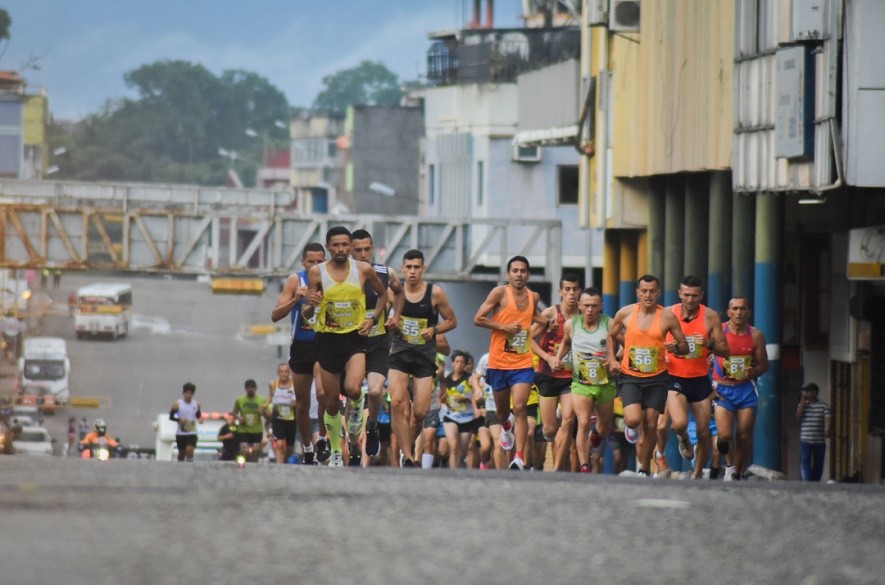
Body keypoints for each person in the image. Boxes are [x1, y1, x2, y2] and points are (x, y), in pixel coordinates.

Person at [303, 226, 389, 467]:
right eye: (336, 245)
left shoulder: (363, 270)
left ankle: (357, 409)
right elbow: (307, 312)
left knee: (353, 388)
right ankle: (334, 450)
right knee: (330, 402)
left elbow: (383, 295)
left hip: (354, 339)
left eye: (344, 245)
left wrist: (373, 319)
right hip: (328, 340)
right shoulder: (317, 273)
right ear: (328, 247)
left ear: (350, 246)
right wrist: (311, 305)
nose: (340, 249)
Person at [606, 275, 689, 477]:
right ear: (638, 293)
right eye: (644, 291)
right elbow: (611, 335)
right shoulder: (625, 313)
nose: (648, 295)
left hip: (657, 378)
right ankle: (632, 428)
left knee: (651, 425)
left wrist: (676, 348)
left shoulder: (668, 317)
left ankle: (643, 468)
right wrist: (612, 359)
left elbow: (685, 346)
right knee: (633, 420)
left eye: (652, 291)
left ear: (658, 293)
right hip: (630, 376)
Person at [473, 255, 549, 470]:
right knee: (502, 413)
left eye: (523, 271)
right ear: (508, 274)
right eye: (515, 271)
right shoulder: (499, 293)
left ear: (528, 274)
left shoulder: (533, 297)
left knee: (521, 407)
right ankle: (506, 426)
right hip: (498, 363)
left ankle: (519, 457)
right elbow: (478, 319)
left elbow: (534, 316)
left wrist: (546, 323)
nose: (519, 274)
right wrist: (505, 328)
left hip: (522, 362)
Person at [388, 249, 457, 467]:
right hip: (399, 353)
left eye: (416, 267)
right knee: (397, 402)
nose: (412, 272)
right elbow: (381, 317)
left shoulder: (435, 293)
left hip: (424, 356)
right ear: (402, 268)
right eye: (408, 267)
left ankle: (407, 446)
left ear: (423, 269)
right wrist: (388, 324)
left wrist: (434, 330)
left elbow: (452, 321)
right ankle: (408, 456)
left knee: (420, 412)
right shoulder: (394, 292)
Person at [658, 275, 730, 479]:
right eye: (686, 295)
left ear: (701, 295)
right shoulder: (667, 314)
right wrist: (664, 352)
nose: (690, 300)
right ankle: (683, 438)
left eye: (695, 296)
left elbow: (725, 351)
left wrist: (708, 344)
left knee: (703, 432)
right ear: (679, 294)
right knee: (679, 424)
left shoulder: (711, 316)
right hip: (674, 377)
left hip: (699, 379)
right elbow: (653, 341)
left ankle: (697, 472)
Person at [271, 241, 327, 464]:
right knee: (303, 404)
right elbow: (275, 315)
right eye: (311, 261)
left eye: (320, 261)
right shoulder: (296, 280)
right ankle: (307, 447)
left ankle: (321, 439)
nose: (315, 265)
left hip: (324, 344)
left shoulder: (332, 280)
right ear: (303, 262)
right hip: (301, 346)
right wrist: (296, 299)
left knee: (322, 394)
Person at [350, 229, 403, 459]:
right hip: (351, 343)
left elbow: (399, 292)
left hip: (378, 342)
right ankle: (353, 444)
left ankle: (371, 426)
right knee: (353, 393)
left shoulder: (385, 273)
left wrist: (396, 316)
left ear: (372, 248)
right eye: (358, 250)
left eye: (366, 249)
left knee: (374, 390)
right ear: (350, 251)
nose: (363, 254)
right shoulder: (343, 275)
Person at [553, 287, 617, 474]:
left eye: (594, 306)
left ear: (601, 306)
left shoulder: (609, 324)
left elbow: (626, 341)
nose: (590, 310)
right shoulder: (571, 325)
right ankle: (584, 465)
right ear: (580, 306)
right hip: (581, 383)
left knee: (604, 428)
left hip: (605, 383)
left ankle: (597, 434)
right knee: (583, 422)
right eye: (587, 305)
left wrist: (616, 359)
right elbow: (566, 342)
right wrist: (557, 358)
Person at [712, 297, 769, 481]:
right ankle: (727, 461)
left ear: (748, 313)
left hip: (745, 389)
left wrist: (754, 371)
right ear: (728, 312)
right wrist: (707, 385)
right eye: (735, 308)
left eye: (742, 309)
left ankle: (736, 472)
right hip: (722, 388)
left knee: (744, 435)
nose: (738, 312)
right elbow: (702, 360)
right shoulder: (718, 332)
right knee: (725, 435)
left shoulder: (756, 336)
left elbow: (764, 365)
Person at [531, 273, 582, 471]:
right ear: (560, 291)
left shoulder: (584, 315)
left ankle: (558, 468)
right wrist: (548, 357)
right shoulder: (551, 313)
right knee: (551, 429)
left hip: (572, 377)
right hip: (548, 374)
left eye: (575, 289)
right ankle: (548, 441)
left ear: (579, 291)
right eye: (567, 289)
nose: (571, 293)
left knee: (568, 420)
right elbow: (527, 338)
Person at [441, 350, 478, 468]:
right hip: (450, 416)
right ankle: (453, 473)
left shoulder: (469, 378)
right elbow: (442, 397)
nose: (459, 364)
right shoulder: (447, 378)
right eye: (457, 361)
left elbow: (477, 392)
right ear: (453, 363)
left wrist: (466, 398)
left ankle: (459, 463)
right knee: (453, 447)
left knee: (462, 453)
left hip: (467, 418)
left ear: (465, 364)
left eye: (462, 362)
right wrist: (444, 399)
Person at [796, 382, 831, 482]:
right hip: (805, 440)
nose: (806, 394)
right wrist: (802, 403)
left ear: (814, 392)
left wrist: (827, 429)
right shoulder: (803, 405)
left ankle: (816, 481)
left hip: (819, 440)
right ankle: (807, 481)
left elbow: (828, 418)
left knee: (819, 462)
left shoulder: (823, 406)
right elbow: (798, 417)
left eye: (808, 391)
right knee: (805, 460)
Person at [267, 363, 297, 464]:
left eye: (286, 372)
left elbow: (297, 402)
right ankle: (279, 465)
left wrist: (293, 404)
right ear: (278, 373)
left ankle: (285, 462)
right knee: (279, 443)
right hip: (277, 419)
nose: (284, 374)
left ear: (289, 373)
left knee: (289, 447)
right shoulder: (273, 384)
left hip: (291, 420)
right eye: (281, 371)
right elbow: (270, 398)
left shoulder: (294, 385)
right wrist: (266, 407)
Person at [232, 379, 267, 462]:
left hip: (256, 430)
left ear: (256, 388)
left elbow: (267, 415)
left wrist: (262, 412)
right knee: (244, 450)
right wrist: (239, 418)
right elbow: (234, 413)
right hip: (243, 429)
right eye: (248, 388)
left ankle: (253, 465)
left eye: (252, 388)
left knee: (255, 451)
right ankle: (243, 463)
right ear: (245, 389)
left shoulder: (262, 400)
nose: (250, 390)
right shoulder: (240, 400)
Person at [169, 382, 201, 462]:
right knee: (182, 454)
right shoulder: (178, 404)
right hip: (181, 433)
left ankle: (190, 465)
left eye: (190, 394)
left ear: (193, 394)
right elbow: (171, 417)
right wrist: (179, 420)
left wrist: (200, 418)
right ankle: (180, 465)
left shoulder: (196, 404)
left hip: (192, 432)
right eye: (187, 393)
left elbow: (198, 416)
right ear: (183, 393)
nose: (188, 395)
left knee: (189, 450)